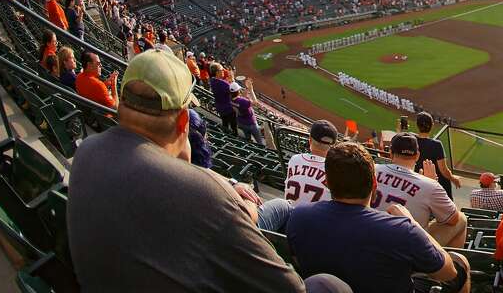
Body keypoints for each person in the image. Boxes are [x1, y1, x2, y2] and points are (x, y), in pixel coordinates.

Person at [67, 49, 348, 291]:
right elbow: (289, 288)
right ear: (182, 122)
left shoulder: (87, 151)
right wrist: (231, 201)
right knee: (328, 284)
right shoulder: (203, 195)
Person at [287, 142, 469, 293]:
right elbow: (448, 273)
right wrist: (413, 223)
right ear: (375, 183)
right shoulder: (402, 229)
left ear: (326, 182)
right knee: (461, 263)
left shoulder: (299, 216)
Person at [373, 133, 467, 247]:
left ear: (391, 153)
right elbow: (453, 219)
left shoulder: (372, 169)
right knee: (461, 218)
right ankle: (448, 262)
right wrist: (432, 184)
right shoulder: (430, 185)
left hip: (368, 237)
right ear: (417, 156)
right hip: (407, 249)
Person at [287, 120, 338, 205]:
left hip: (288, 215)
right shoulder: (335, 170)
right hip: (317, 217)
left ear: (310, 140)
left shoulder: (294, 160)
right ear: (332, 146)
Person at [414, 111, 461, 198]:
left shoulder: (412, 140)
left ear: (417, 125)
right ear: (432, 125)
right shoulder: (436, 144)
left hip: (419, 180)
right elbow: (443, 170)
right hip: (437, 184)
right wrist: (453, 179)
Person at [232, 81, 264, 145]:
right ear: (238, 91)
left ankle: (249, 144)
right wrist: (251, 90)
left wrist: (247, 88)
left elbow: (242, 97)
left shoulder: (231, 99)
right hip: (251, 124)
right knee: (260, 142)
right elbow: (256, 103)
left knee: (248, 139)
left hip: (241, 122)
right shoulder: (243, 101)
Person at [210, 63, 238, 136]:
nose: (223, 71)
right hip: (228, 108)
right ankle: (235, 137)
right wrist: (232, 79)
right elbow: (235, 92)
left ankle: (226, 136)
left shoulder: (212, 80)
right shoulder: (223, 84)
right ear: (217, 72)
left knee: (225, 124)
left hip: (220, 107)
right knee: (233, 126)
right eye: (221, 70)